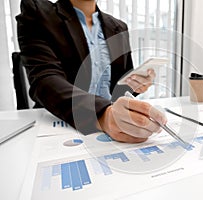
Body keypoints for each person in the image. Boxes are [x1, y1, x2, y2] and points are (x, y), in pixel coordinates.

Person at [16, 0, 167, 143]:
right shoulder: (38, 13)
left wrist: (136, 84)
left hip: (113, 124)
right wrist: (102, 113)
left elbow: (119, 89)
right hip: (60, 123)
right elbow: (45, 80)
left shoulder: (119, 27)